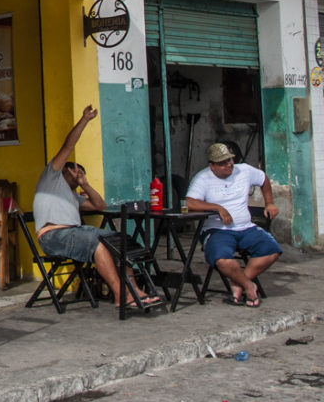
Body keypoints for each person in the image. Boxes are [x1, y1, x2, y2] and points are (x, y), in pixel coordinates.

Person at [33, 106, 160, 308]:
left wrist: (85, 184)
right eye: (76, 172)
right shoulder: (51, 179)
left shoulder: (73, 197)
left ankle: (135, 290)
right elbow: (68, 146)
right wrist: (85, 120)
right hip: (53, 236)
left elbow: (100, 205)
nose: (78, 176)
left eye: (81, 174)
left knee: (119, 242)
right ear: (66, 170)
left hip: (77, 233)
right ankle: (121, 295)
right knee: (98, 244)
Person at [185, 142, 281, 307]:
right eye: (223, 163)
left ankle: (239, 284)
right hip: (217, 230)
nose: (229, 165)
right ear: (212, 166)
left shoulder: (244, 170)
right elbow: (190, 203)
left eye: (230, 160)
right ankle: (249, 287)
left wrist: (269, 203)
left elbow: (264, 179)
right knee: (222, 259)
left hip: (245, 227)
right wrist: (217, 207)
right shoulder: (203, 177)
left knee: (271, 250)